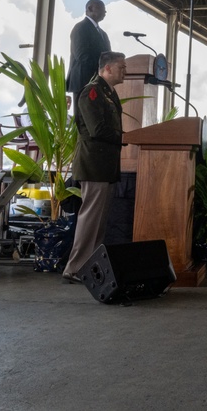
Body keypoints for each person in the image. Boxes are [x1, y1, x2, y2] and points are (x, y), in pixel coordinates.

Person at [62, 51, 126, 284]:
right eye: (121, 67)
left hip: (106, 165)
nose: (124, 72)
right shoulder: (91, 93)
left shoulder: (108, 93)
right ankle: (74, 268)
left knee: (99, 221)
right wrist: (125, 136)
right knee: (90, 218)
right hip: (94, 164)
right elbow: (97, 129)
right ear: (107, 68)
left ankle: (91, 266)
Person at [66, 0, 111, 96]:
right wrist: (102, 68)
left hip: (99, 82)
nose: (105, 12)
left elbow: (108, 55)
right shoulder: (80, 28)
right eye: (101, 8)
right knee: (83, 111)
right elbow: (82, 56)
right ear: (90, 8)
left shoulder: (103, 34)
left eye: (105, 10)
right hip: (83, 81)